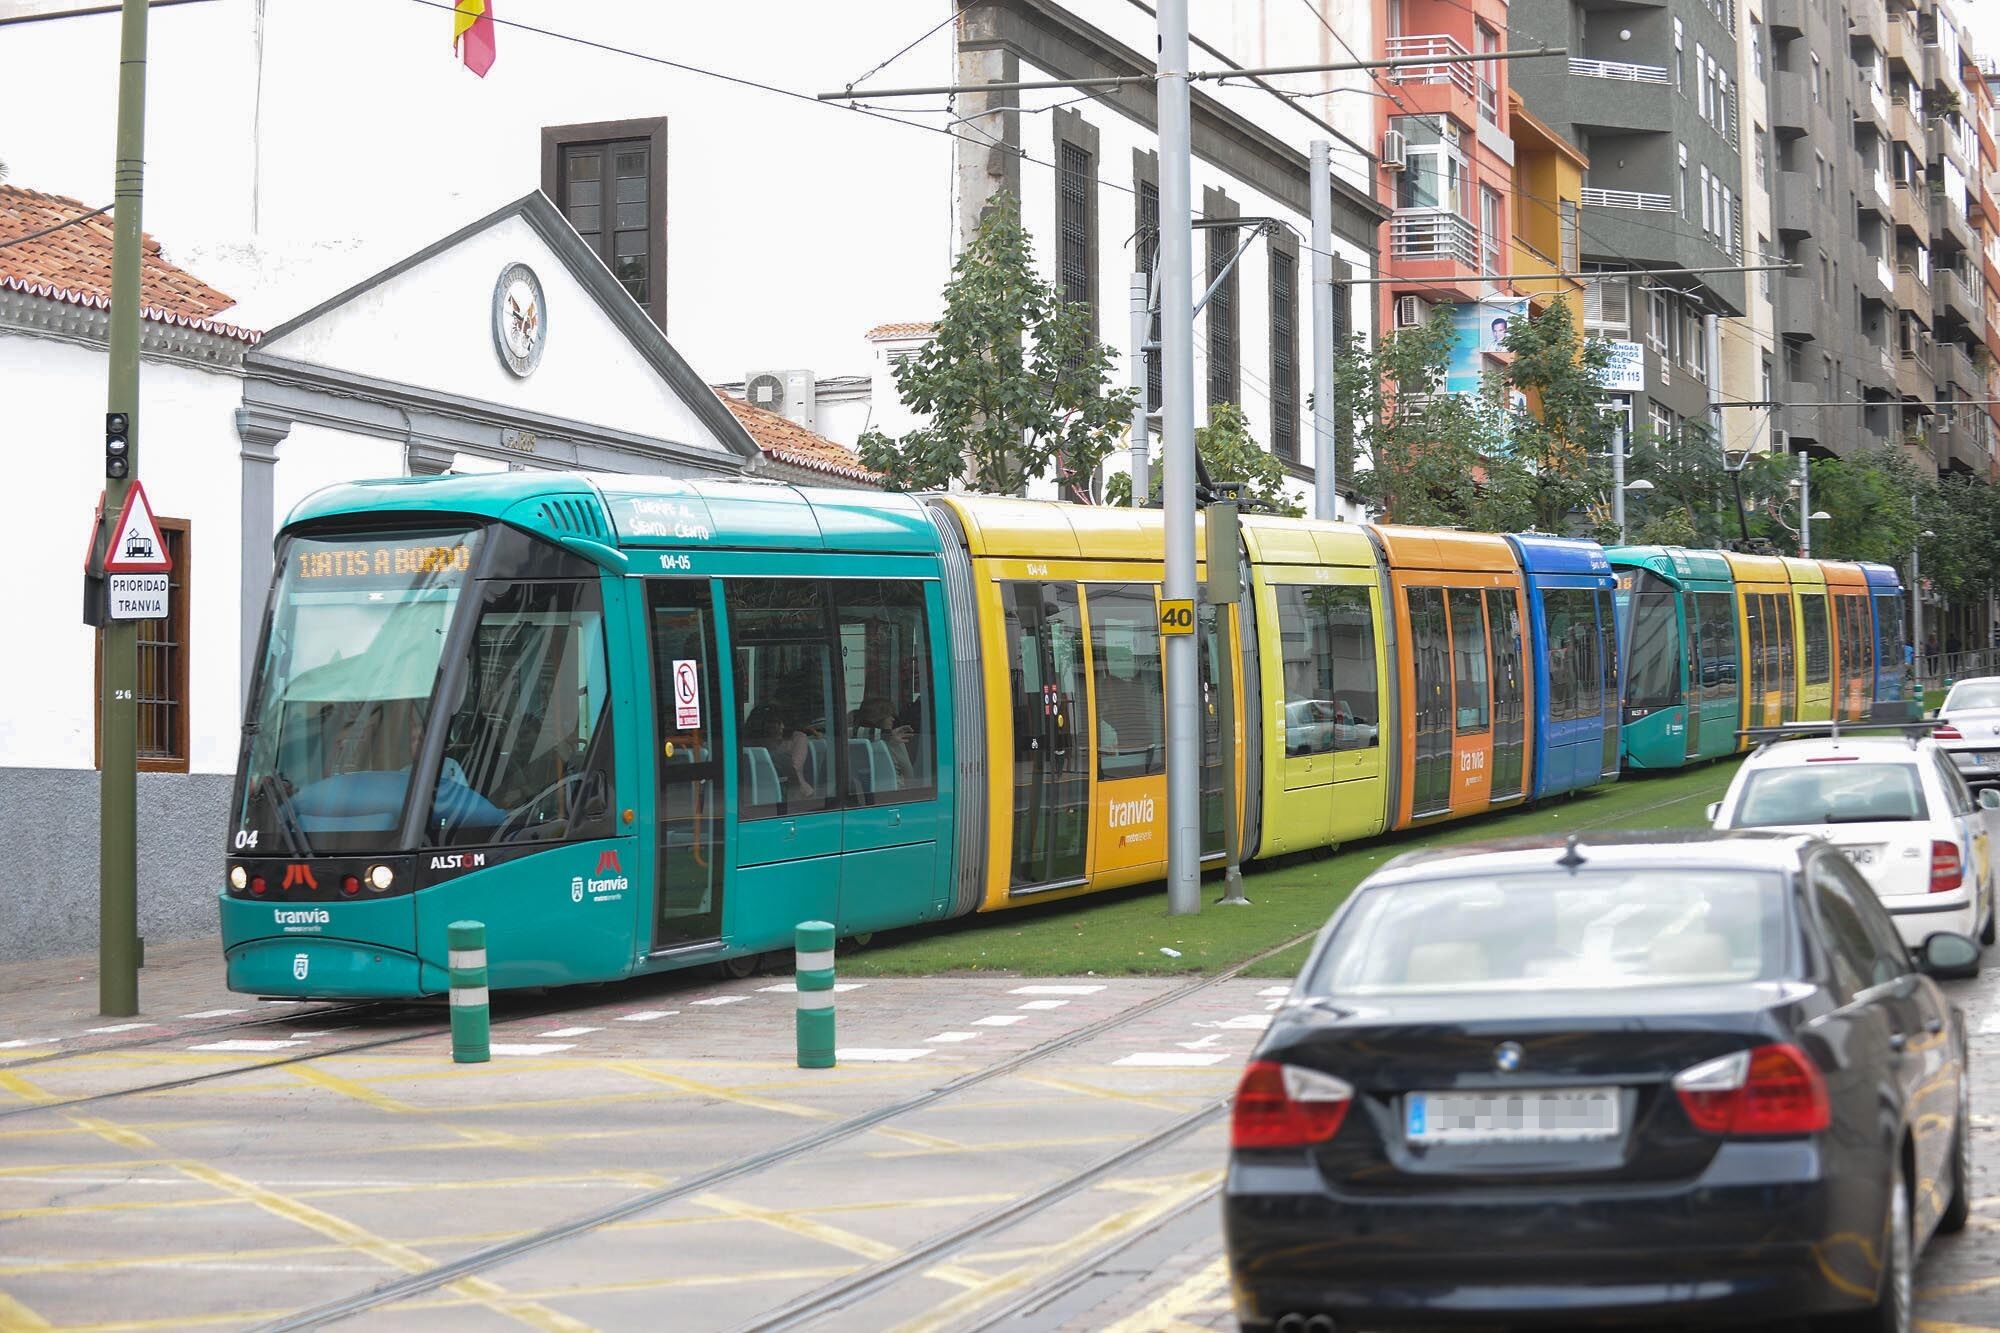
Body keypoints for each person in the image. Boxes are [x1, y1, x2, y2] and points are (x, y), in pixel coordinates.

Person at [745, 701, 815, 800]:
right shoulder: (755, 747)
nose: (782, 727)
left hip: (790, 792)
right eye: (777, 723)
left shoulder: (796, 739)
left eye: (783, 722)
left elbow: (794, 769)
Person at [853, 696, 916, 783]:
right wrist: (888, 735)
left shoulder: (854, 741)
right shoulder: (895, 741)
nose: (893, 719)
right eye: (889, 715)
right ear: (878, 717)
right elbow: (909, 775)